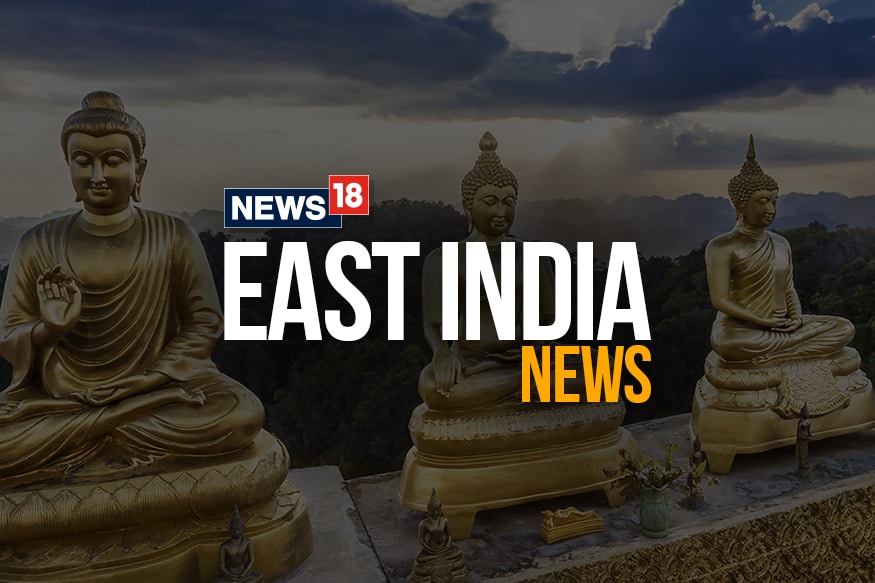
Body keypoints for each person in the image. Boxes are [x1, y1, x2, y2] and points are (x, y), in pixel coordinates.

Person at [0, 91, 264, 476]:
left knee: (241, 415)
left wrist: (147, 380)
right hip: (65, 397)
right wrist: (48, 329)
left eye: (112, 161)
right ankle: (109, 431)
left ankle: (94, 435)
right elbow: (9, 333)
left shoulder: (173, 235)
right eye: (83, 162)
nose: (98, 176)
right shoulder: (37, 243)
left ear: (139, 170)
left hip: (158, 388)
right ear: (68, 167)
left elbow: (204, 322)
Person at [418, 132, 577, 410]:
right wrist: (442, 353)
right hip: (470, 363)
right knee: (432, 386)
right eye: (491, 202)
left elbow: (549, 319)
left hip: (526, 358)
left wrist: (541, 345)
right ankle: (525, 389)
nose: (501, 211)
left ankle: (517, 387)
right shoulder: (443, 259)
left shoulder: (534, 256)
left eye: (508, 202)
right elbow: (433, 323)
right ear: (468, 206)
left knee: (604, 369)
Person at [705, 135, 854, 365]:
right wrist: (762, 322)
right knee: (728, 345)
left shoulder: (781, 243)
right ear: (742, 203)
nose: (771, 209)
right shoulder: (721, 246)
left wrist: (796, 317)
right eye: (763, 201)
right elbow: (721, 300)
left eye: (774, 201)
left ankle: (780, 354)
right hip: (741, 329)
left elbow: (788, 289)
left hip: (782, 325)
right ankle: (792, 350)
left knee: (844, 327)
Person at [409, 489, 470, 583]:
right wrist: (430, 549)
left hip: (445, 548)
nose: (436, 512)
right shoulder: (424, 523)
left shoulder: (444, 520)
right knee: (420, 560)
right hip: (431, 549)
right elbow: (421, 540)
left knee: (458, 553)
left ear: (440, 509)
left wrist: (446, 546)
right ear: (429, 510)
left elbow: (449, 536)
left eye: (438, 510)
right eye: (433, 510)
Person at [216, 506, 262, 583]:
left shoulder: (247, 542)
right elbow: (222, 566)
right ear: (230, 530)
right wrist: (231, 575)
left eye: (238, 529)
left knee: (259, 576)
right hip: (231, 573)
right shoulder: (225, 546)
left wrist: (244, 573)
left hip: (245, 571)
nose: (236, 532)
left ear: (243, 528)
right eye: (234, 530)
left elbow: (252, 559)